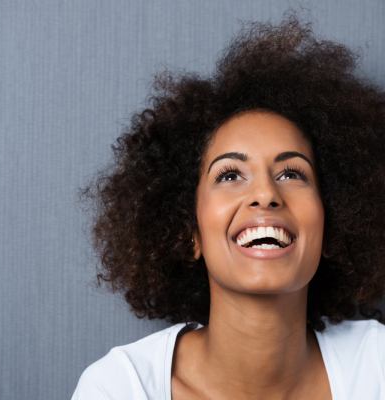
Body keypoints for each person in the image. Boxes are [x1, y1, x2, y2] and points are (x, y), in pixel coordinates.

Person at [71, 12, 385, 400]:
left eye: (292, 174)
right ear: (189, 232)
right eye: (230, 175)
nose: (266, 193)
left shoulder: (378, 368)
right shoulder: (121, 388)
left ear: (333, 220)